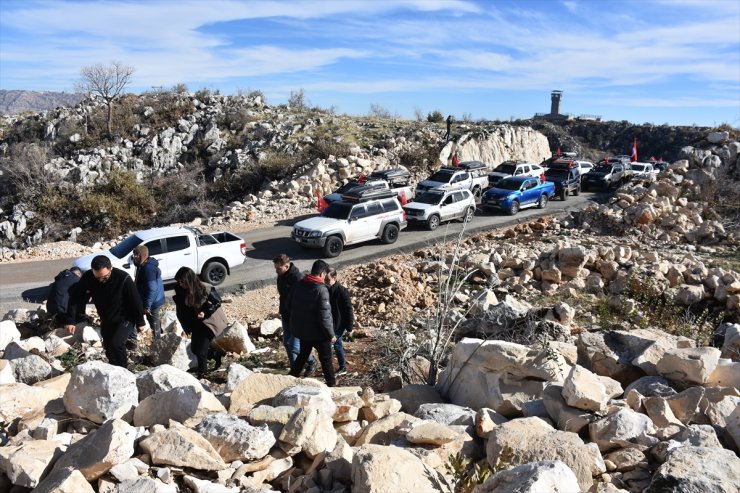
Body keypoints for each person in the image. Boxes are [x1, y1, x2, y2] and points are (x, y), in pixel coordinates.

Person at [65, 255, 146, 367]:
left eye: (104, 277)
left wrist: (140, 321)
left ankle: (123, 371)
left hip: (125, 317)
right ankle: (113, 369)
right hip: (107, 318)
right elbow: (75, 297)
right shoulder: (88, 277)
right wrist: (70, 320)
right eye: (97, 277)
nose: (101, 280)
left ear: (110, 268)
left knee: (116, 344)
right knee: (108, 346)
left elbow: (136, 301)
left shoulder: (123, 278)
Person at [287, 260, 336, 386]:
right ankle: (331, 385)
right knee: (326, 360)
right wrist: (331, 334)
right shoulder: (321, 289)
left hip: (304, 332)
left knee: (302, 355)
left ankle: (289, 379)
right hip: (320, 334)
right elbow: (325, 317)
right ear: (322, 273)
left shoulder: (300, 284)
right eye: (325, 274)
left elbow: (289, 305)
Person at [173, 267, 227, 379]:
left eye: (182, 281)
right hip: (196, 323)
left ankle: (203, 374)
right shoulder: (181, 291)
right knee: (194, 349)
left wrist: (205, 312)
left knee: (201, 351)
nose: (180, 284)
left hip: (209, 322)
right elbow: (183, 310)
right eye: (179, 281)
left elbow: (217, 302)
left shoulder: (205, 288)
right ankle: (216, 354)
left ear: (189, 279)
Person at [273, 254, 317, 376]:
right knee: (287, 343)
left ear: (286, 266)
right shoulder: (281, 276)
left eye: (278, 268)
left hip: (297, 317)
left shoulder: (298, 278)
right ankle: (295, 369)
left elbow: (305, 299)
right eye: (275, 268)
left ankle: (311, 361)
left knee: (294, 345)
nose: (276, 271)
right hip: (286, 315)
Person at [133, 245, 165, 341]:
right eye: (134, 254)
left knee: (153, 321)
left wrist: (147, 306)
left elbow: (152, 289)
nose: (134, 256)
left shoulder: (148, 269)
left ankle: (158, 342)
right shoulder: (143, 265)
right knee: (154, 320)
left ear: (143, 255)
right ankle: (160, 335)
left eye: (137, 254)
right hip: (153, 300)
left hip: (153, 302)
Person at [326, 268, 354, 376]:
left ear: (334, 277)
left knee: (328, 345)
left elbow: (348, 309)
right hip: (330, 323)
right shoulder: (326, 289)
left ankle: (332, 369)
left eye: (328, 280)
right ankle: (342, 367)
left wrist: (349, 327)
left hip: (338, 324)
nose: (326, 282)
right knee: (337, 345)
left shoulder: (342, 291)